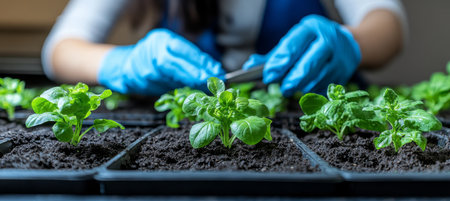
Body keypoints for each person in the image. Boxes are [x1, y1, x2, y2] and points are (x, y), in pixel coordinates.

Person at [42, 0, 407, 96]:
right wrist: (122, 64)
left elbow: (388, 25)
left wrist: (350, 43)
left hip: (312, 110)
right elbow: (60, 49)